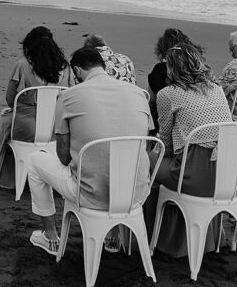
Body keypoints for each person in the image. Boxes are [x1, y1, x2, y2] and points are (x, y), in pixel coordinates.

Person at [24, 47, 152, 256]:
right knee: (118, 160)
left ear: (78, 70)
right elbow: (143, 144)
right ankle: (113, 235)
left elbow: (64, 157)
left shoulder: (69, 96)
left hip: (91, 193)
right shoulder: (138, 93)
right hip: (135, 192)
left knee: (34, 161)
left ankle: (50, 237)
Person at [147, 43, 233, 258]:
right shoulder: (216, 88)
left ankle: (155, 236)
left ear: (172, 68)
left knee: (143, 160)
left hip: (194, 173)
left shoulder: (169, 93)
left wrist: (152, 152)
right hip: (228, 173)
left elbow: (165, 141)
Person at [0, 26, 74, 189]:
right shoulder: (66, 68)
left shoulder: (22, 65)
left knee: (5, 119)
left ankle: (4, 174)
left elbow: (9, 99)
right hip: (56, 130)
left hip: (26, 129)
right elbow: (71, 97)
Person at [147, 28, 203, 127]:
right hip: (198, 120)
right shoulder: (197, 69)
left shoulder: (159, 71)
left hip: (167, 122)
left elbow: (151, 99)